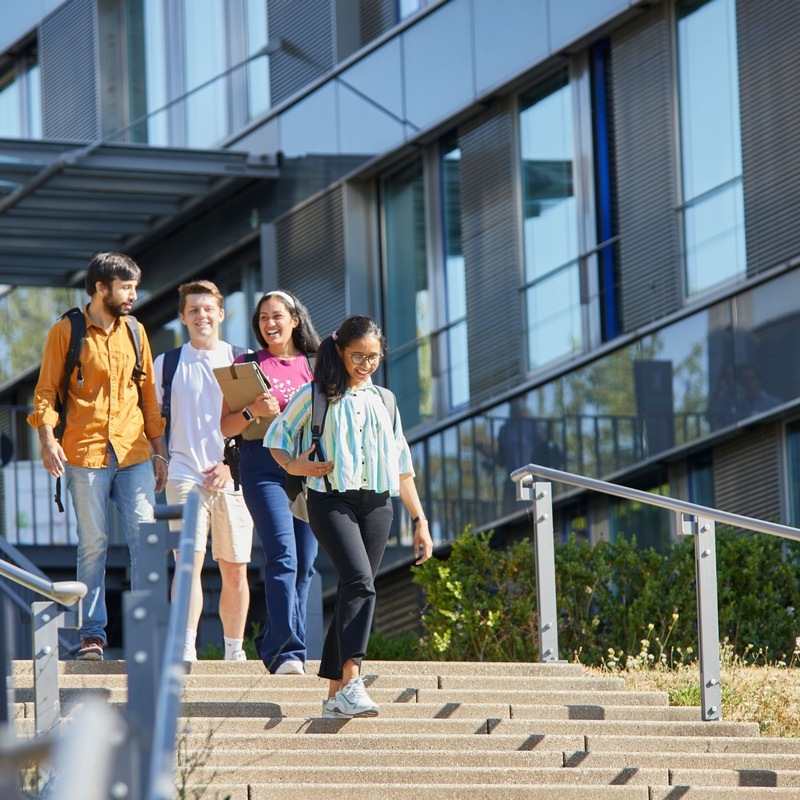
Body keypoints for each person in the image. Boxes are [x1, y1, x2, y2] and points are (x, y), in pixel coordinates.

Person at [266, 315, 433, 718]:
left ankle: (332, 697)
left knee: (353, 589)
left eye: (373, 357)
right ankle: (354, 681)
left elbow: (402, 467)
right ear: (339, 351)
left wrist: (420, 521)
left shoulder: (386, 400)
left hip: (378, 503)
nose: (365, 364)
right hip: (330, 499)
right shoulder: (314, 395)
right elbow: (276, 440)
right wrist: (296, 467)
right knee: (360, 582)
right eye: (358, 356)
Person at [27, 251, 167, 661]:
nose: (133, 295)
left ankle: (148, 630)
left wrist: (160, 453)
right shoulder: (66, 331)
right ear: (101, 288)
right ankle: (93, 635)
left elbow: (148, 398)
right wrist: (47, 440)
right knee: (93, 543)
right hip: (83, 452)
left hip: (135, 451)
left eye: (135, 287)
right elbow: (45, 392)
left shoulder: (136, 332)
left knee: (145, 537)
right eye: (126, 287)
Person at [153, 280, 254, 663]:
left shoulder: (242, 360)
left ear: (221, 313)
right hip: (184, 474)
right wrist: (159, 458)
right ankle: (185, 647)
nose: (201, 316)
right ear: (182, 317)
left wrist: (231, 466)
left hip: (232, 478)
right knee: (187, 565)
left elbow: (255, 426)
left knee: (235, 569)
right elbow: (152, 422)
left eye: (208, 308)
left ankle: (233, 651)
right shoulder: (168, 363)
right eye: (193, 310)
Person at [220, 290, 320, 675]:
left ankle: (271, 641)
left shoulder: (316, 365)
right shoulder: (245, 364)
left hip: (307, 467)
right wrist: (252, 410)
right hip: (262, 465)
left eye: (277, 315)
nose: (269, 323)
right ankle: (291, 654)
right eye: (262, 317)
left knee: (306, 564)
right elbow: (226, 426)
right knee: (283, 554)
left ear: (295, 319)